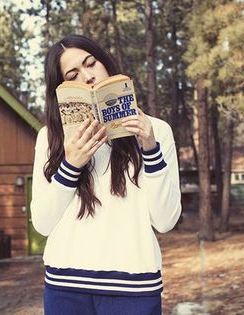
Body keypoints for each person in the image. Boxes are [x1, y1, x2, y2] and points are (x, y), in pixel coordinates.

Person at [30, 34, 181, 315]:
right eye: (73, 74)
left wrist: (149, 148)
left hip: (134, 287)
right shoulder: (49, 138)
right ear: (61, 90)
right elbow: (42, 223)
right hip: (65, 286)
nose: (88, 77)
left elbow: (166, 220)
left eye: (91, 63)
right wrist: (71, 164)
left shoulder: (156, 130)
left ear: (106, 64)